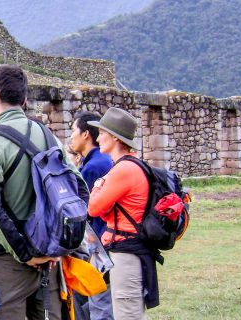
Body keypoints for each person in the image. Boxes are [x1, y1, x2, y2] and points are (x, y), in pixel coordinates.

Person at [0, 65, 87, 320]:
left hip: (7, 263)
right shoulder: (48, 136)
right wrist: (57, 245)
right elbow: (79, 188)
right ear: (24, 100)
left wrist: (26, 254)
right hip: (49, 262)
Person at [87, 107, 161, 319]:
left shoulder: (123, 170)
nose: (98, 138)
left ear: (114, 137)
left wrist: (99, 185)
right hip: (131, 249)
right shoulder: (131, 165)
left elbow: (94, 207)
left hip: (126, 252)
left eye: (101, 133)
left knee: (127, 314)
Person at [68, 111, 114, 320]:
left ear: (86, 134)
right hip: (99, 242)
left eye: (73, 131)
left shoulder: (95, 166)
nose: (71, 137)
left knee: (97, 303)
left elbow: (81, 209)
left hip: (97, 245)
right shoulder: (96, 162)